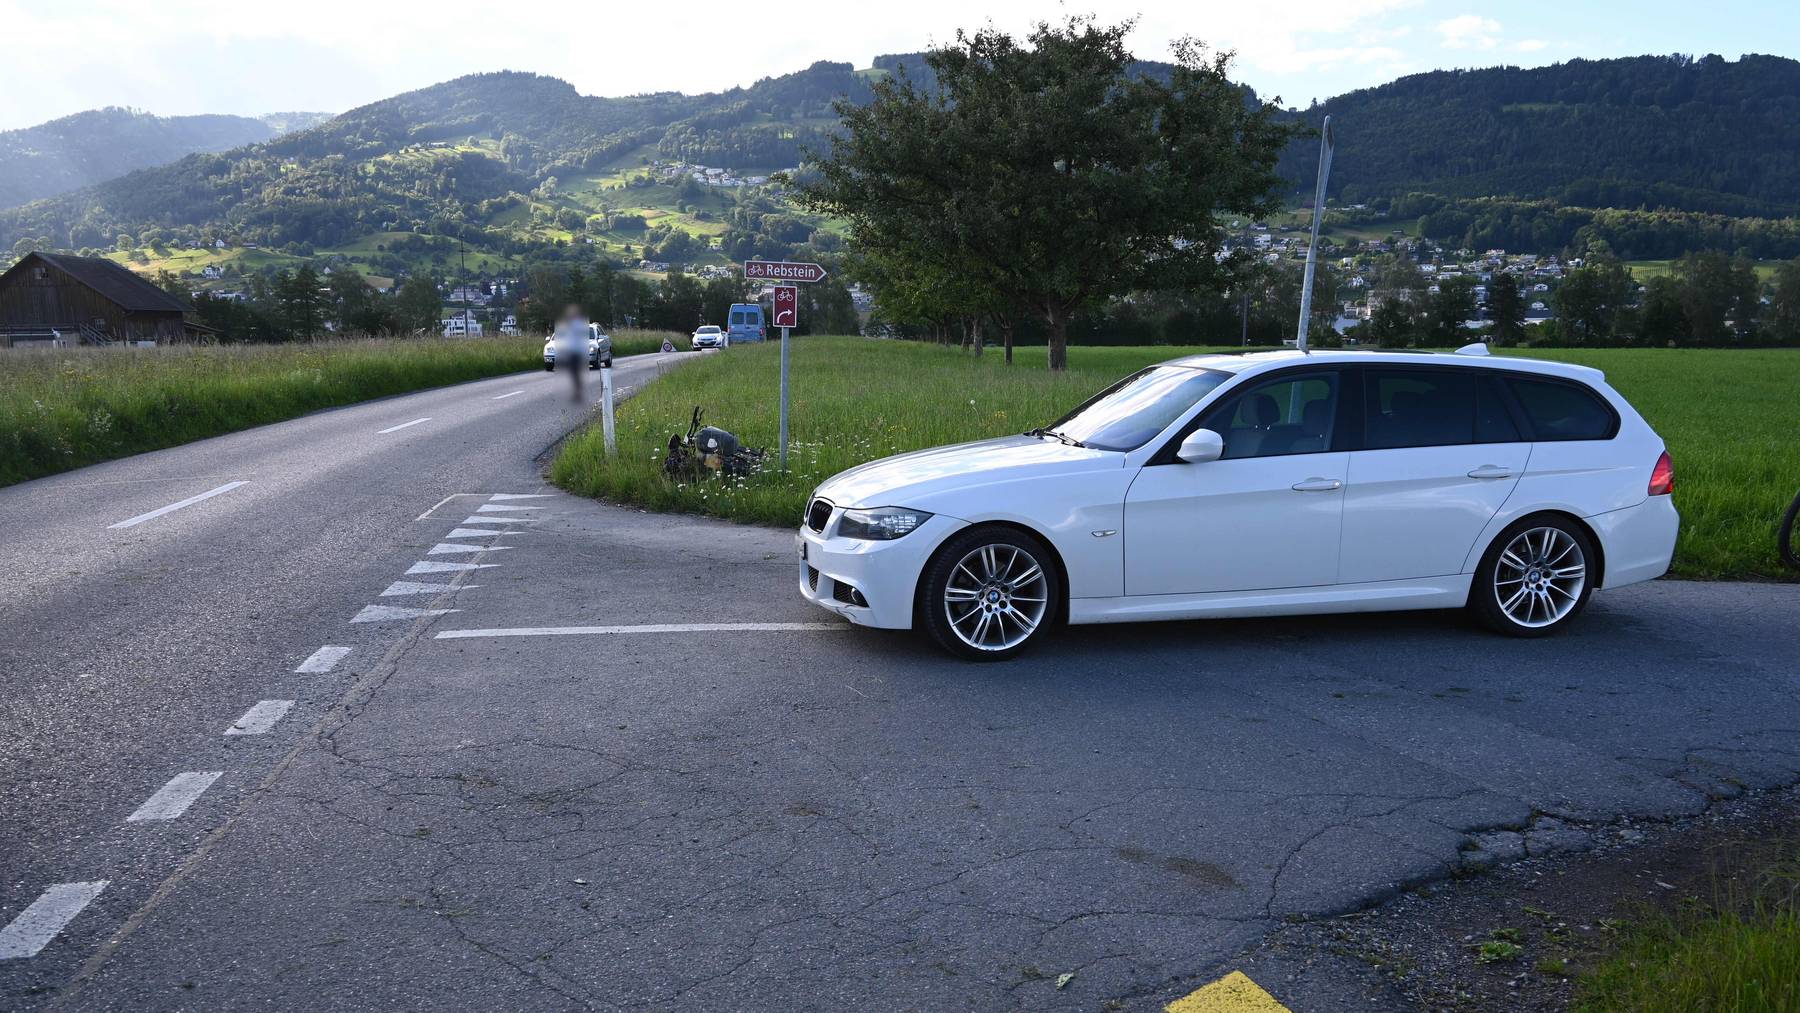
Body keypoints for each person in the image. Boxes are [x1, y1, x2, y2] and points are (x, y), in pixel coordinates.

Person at [554, 304, 588, 403]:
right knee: (574, 374)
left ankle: (578, 393)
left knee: (575, 373)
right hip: (571, 352)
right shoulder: (569, 324)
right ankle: (577, 392)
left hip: (576, 352)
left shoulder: (577, 324)